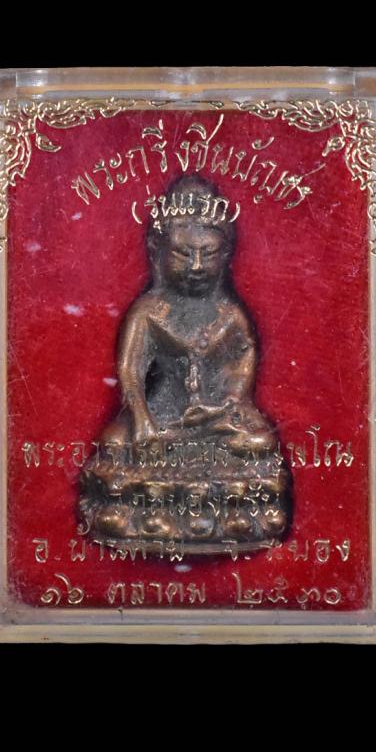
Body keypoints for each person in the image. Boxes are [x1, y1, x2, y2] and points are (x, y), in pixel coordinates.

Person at [79, 174, 291, 551]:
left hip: (215, 423)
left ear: (225, 254)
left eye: (207, 254)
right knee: (114, 444)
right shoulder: (149, 312)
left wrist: (228, 407)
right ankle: (183, 511)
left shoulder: (229, 314)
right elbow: (130, 370)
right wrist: (143, 419)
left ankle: (177, 511)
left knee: (260, 441)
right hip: (159, 421)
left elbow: (241, 367)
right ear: (157, 250)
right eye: (182, 253)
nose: (195, 265)